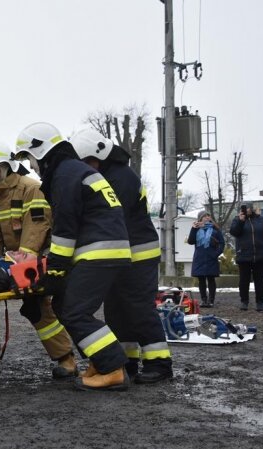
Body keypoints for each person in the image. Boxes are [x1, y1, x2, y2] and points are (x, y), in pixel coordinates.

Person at [15, 122, 131, 391]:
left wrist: (55, 269)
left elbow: (66, 228)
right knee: (64, 305)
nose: (31, 166)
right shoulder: (73, 170)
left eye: (30, 159)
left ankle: (113, 368)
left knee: (75, 311)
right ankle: (100, 362)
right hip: (104, 248)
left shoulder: (65, 174)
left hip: (99, 251)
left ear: (41, 151)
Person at [0, 138, 77, 379]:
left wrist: (23, 265)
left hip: (38, 260)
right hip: (11, 264)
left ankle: (65, 358)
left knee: (36, 306)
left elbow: (37, 229)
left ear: (9, 166)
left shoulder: (31, 188)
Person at [70, 128, 173, 383]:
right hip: (119, 253)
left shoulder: (120, 177)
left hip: (138, 253)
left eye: (87, 162)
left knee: (139, 308)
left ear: (99, 155)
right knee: (117, 310)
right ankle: (128, 362)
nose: (86, 168)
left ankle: (160, 364)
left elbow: (111, 217)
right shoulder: (106, 174)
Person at [229, 202, 263, 311]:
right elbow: (234, 232)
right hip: (244, 255)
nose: (246, 210)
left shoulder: (262, 220)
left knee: (259, 280)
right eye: (244, 208)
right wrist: (241, 221)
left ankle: (260, 302)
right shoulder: (237, 219)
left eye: (248, 208)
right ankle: (244, 301)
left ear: (252, 209)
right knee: (244, 280)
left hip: (259, 255)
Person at [187, 210, 225, 308]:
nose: (207, 217)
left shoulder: (215, 229)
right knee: (201, 280)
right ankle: (204, 300)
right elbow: (190, 241)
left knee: (211, 279)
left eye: (208, 216)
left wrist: (216, 254)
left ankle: (211, 300)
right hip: (199, 257)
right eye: (205, 216)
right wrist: (193, 228)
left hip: (211, 258)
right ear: (200, 219)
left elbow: (222, 243)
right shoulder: (196, 230)